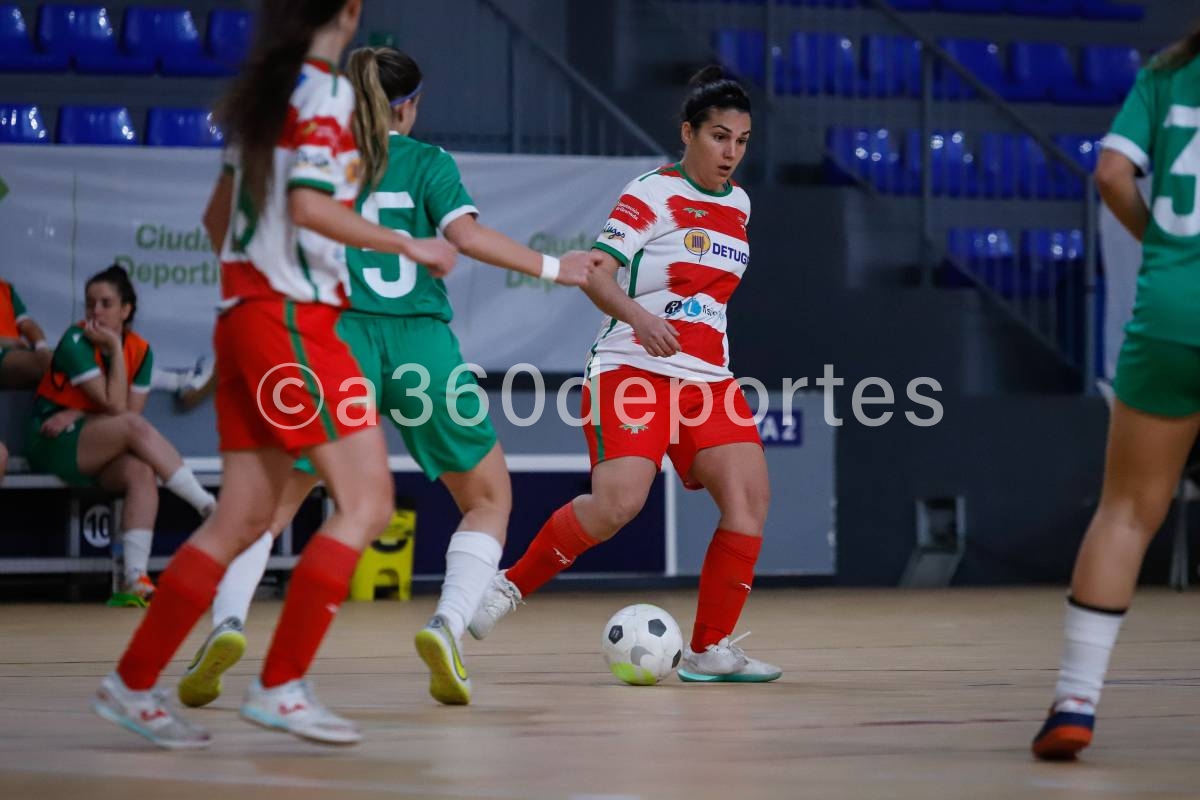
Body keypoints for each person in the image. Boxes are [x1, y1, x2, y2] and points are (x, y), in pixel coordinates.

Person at [176, 45, 594, 711]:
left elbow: (225, 228)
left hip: (333, 341)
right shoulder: (429, 162)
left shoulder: (314, 159)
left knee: (273, 503)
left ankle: (227, 623)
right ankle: (447, 627)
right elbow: (467, 238)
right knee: (488, 498)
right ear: (407, 106)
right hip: (421, 344)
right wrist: (554, 269)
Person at [91, 0, 457, 750]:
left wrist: (257, 279)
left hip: (245, 317)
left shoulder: (264, 95)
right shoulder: (325, 93)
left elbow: (215, 220)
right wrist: (407, 245)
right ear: (350, 13)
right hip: (292, 318)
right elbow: (307, 206)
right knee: (367, 500)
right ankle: (282, 684)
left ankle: (130, 683)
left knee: (244, 517)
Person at [469, 66, 780, 684]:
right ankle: (509, 586)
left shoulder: (740, 205)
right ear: (688, 133)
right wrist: (640, 318)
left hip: (708, 379)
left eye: (742, 141)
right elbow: (596, 272)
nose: (731, 152)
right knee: (618, 504)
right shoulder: (651, 194)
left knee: (749, 501)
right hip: (632, 368)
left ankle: (709, 649)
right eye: (719, 137)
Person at [1032, 27, 1200, 761]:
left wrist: (1164, 244)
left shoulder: (1166, 73)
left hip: (1171, 310)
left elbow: (1108, 174)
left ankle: (1075, 700)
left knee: (1128, 510)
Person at [25, 265, 216, 605]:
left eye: (105, 303)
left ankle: (134, 580)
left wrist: (83, 411)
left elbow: (130, 414)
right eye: (90, 304)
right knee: (132, 429)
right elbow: (118, 409)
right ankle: (207, 506)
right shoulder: (74, 340)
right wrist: (113, 346)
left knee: (141, 472)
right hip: (51, 439)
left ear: (126, 310)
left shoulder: (141, 349)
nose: (95, 312)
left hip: (94, 441)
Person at [0, 277, 53, 389]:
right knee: (58, 366)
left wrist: (41, 346)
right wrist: (12, 343)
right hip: (6, 353)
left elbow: (27, 324)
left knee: (66, 359)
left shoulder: (5, 288)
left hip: (14, 351)